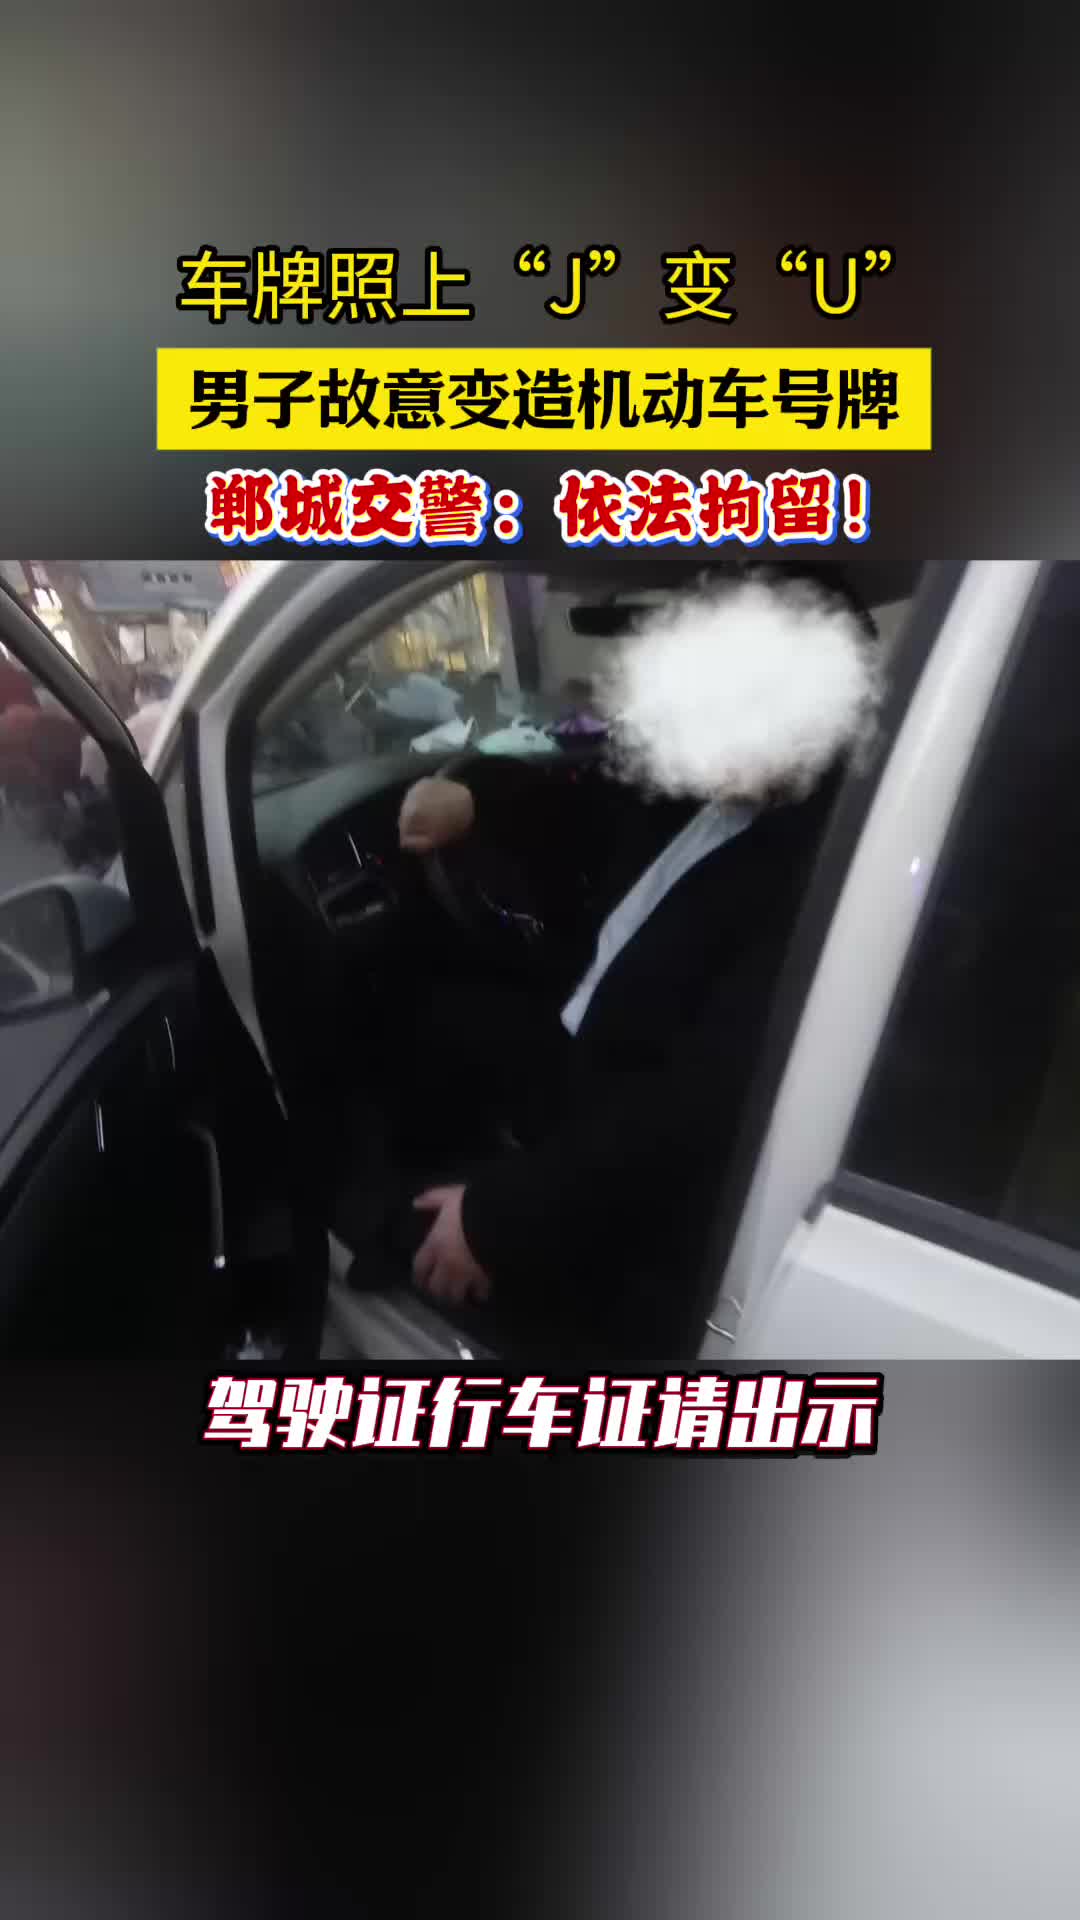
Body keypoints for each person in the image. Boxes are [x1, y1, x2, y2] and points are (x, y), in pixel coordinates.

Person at [380, 567, 884, 1357]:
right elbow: (585, 791)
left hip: (628, 1155)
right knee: (434, 1014)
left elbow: (696, 1112)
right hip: (584, 1038)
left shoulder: (820, 867)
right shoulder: (716, 784)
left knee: (398, 1227)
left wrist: (495, 1220)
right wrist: (473, 800)